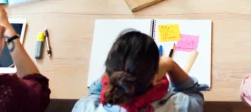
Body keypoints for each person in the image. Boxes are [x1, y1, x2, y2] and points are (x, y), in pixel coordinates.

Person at [73, 30, 208, 112]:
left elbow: (93, 93)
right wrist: (169, 64)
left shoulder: (84, 108)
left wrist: (115, 70)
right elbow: (196, 98)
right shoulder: (178, 106)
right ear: (155, 79)